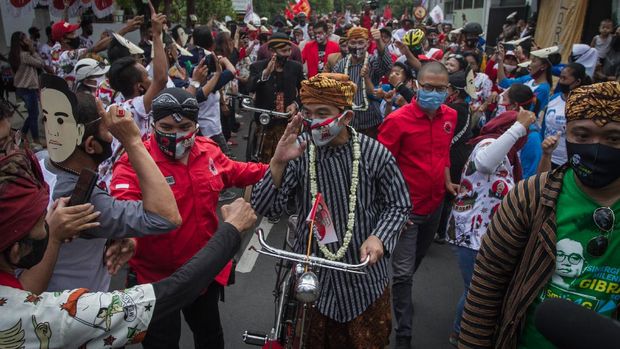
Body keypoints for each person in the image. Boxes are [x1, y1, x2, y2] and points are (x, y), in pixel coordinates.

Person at [0, 130, 255, 347]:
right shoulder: (61, 314)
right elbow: (170, 291)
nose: (54, 218)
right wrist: (231, 230)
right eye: (42, 223)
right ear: (15, 252)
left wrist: (53, 237)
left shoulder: (15, 292)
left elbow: (25, 290)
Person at [252, 73, 411, 349]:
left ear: (346, 118)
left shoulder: (375, 154)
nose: (313, 121)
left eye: (322, 113)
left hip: (364, 279)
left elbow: (399, 204)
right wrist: (277, 162)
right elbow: (268, 208)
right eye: (308, 112)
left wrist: (379, 238)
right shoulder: (300, 152)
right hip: (313, 280)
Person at [458, 81, 620, 349]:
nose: (596, 147)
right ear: (566, 135)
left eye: (613, 138)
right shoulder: (530, 197)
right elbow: (486, 288)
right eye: (582, 135)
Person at [111, 88, 268, 349]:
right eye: (166, 126)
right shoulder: (134, 162)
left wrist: (275, 164)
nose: (175, 134)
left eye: (184, 126)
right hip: (155, 282)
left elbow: (237, 171)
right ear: (152, 124)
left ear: (196, 125)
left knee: (210, 339)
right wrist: (126, 238)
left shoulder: (208, 151)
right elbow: (122, 209)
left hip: (202, 275)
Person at [34, 74, 181, 295]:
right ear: (91, 145)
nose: (112, 132)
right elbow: (166, 217)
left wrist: (116, 233)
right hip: (76, 314)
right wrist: (132, 140)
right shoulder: (81, 199)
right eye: (107, 127)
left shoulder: (40, 160)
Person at [377, 62, 458, 349]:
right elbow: (380, 168)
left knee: (414, 264)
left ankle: (402, 295)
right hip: (406, 212)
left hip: (435, 205)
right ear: (416, 86)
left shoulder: (451, 116)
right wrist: (393, 208)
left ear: (448, 90)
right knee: (401, 273)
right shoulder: (397, 120)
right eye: (428, 88)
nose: (434, 93)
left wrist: (447, 182)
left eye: (440, 89)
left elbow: (444, 153)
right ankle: (404, 334)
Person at [447, 106, 535, 346]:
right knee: (476, 291)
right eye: (522, 134)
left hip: (489, 234)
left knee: (479, 289)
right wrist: (519, 126)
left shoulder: (508, 155)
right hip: (472, 234)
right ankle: (460, 335)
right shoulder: (486, 145)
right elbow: (485, 165)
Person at [246, 33, 303, 163]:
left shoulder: (296, 67)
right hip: (265, 122)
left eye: (289, 50)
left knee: (290, 160)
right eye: (283, 51)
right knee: (263, 159)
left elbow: (304, 91)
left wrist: (295, 104)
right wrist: (265, 74)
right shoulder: (257, 67)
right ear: (272, 51)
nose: (287, 54)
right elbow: (250, 87)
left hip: (288, 122)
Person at [435, 71, 474, 244]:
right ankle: (441, 230)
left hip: (452, 156)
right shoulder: (463, 108)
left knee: (445, 192)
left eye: (446, 88)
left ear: (455, 92)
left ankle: (439, 231)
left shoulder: (455, 110)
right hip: (459, 154)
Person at [332, 27, 392, 137]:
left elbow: (386, 65)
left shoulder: (372, 61)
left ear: (368, 43)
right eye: (353, 42)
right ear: (348, 44)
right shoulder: (341, 64)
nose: (356, 46)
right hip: (348, 122)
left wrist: (379, 41)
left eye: (360, 42)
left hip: (371, 121)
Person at [539, 63, 591, 170]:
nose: (560, 81)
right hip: (546, 156)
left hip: (567, 162)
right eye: (560, 77)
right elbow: (544, 127)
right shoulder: (554, 98)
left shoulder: (585, 105)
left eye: (564, 78)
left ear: (577, 82)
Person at [9, 31, 46, 147]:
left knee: (32, 114)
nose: (28, 41)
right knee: (34, 115)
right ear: (20, 42)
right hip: (29, 89)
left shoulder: (14, 55)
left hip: (21, 89)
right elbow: (41, 63)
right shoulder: (25, 55)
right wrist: (33, 50)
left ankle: (23, 133)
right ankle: (36, 140)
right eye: (25, 39)